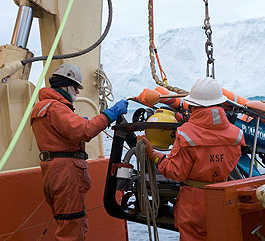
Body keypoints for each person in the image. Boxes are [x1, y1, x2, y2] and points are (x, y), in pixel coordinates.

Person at [138, 77, 245, 241]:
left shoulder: (186, 133)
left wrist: (152, 154)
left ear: (194, 105)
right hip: (223, 197)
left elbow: (175, 171)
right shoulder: (236, 134)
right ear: (220, 104)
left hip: (195, 201)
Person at [30, 63, 128, 241]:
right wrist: (110, 114)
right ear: (66, 85)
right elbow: (86, 131)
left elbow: (60, 132)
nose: (77, 92)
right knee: (72, 228)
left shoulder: (41, 107)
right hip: (67, 174)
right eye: (76, 87)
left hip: (51, 172)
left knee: (65, 222)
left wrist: (75, 122)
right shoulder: (57, 108)